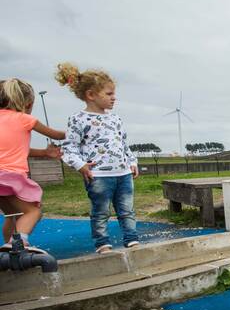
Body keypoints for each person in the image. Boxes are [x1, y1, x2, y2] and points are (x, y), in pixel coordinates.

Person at [56, 63, 139, 253]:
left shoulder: (115, 118)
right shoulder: (78, 119)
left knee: (127, 210)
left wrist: (132, 162)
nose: (114, 98)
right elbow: (69, 147)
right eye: (109, 94)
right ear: (91, 95)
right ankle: (102, 242)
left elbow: (123, 143)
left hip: (123, 173)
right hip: (98, 175)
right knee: (101, 212)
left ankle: (131, 239)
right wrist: (80, 165)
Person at [0, 79, 65, 250]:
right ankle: (18, 243)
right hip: (9, 177)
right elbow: (57, 135)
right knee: (33, 211)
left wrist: (44, 153)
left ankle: (9, 248)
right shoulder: (25, 119)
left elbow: (17, 149)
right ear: (27, 103)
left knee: (13, 214)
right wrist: (82, 129)